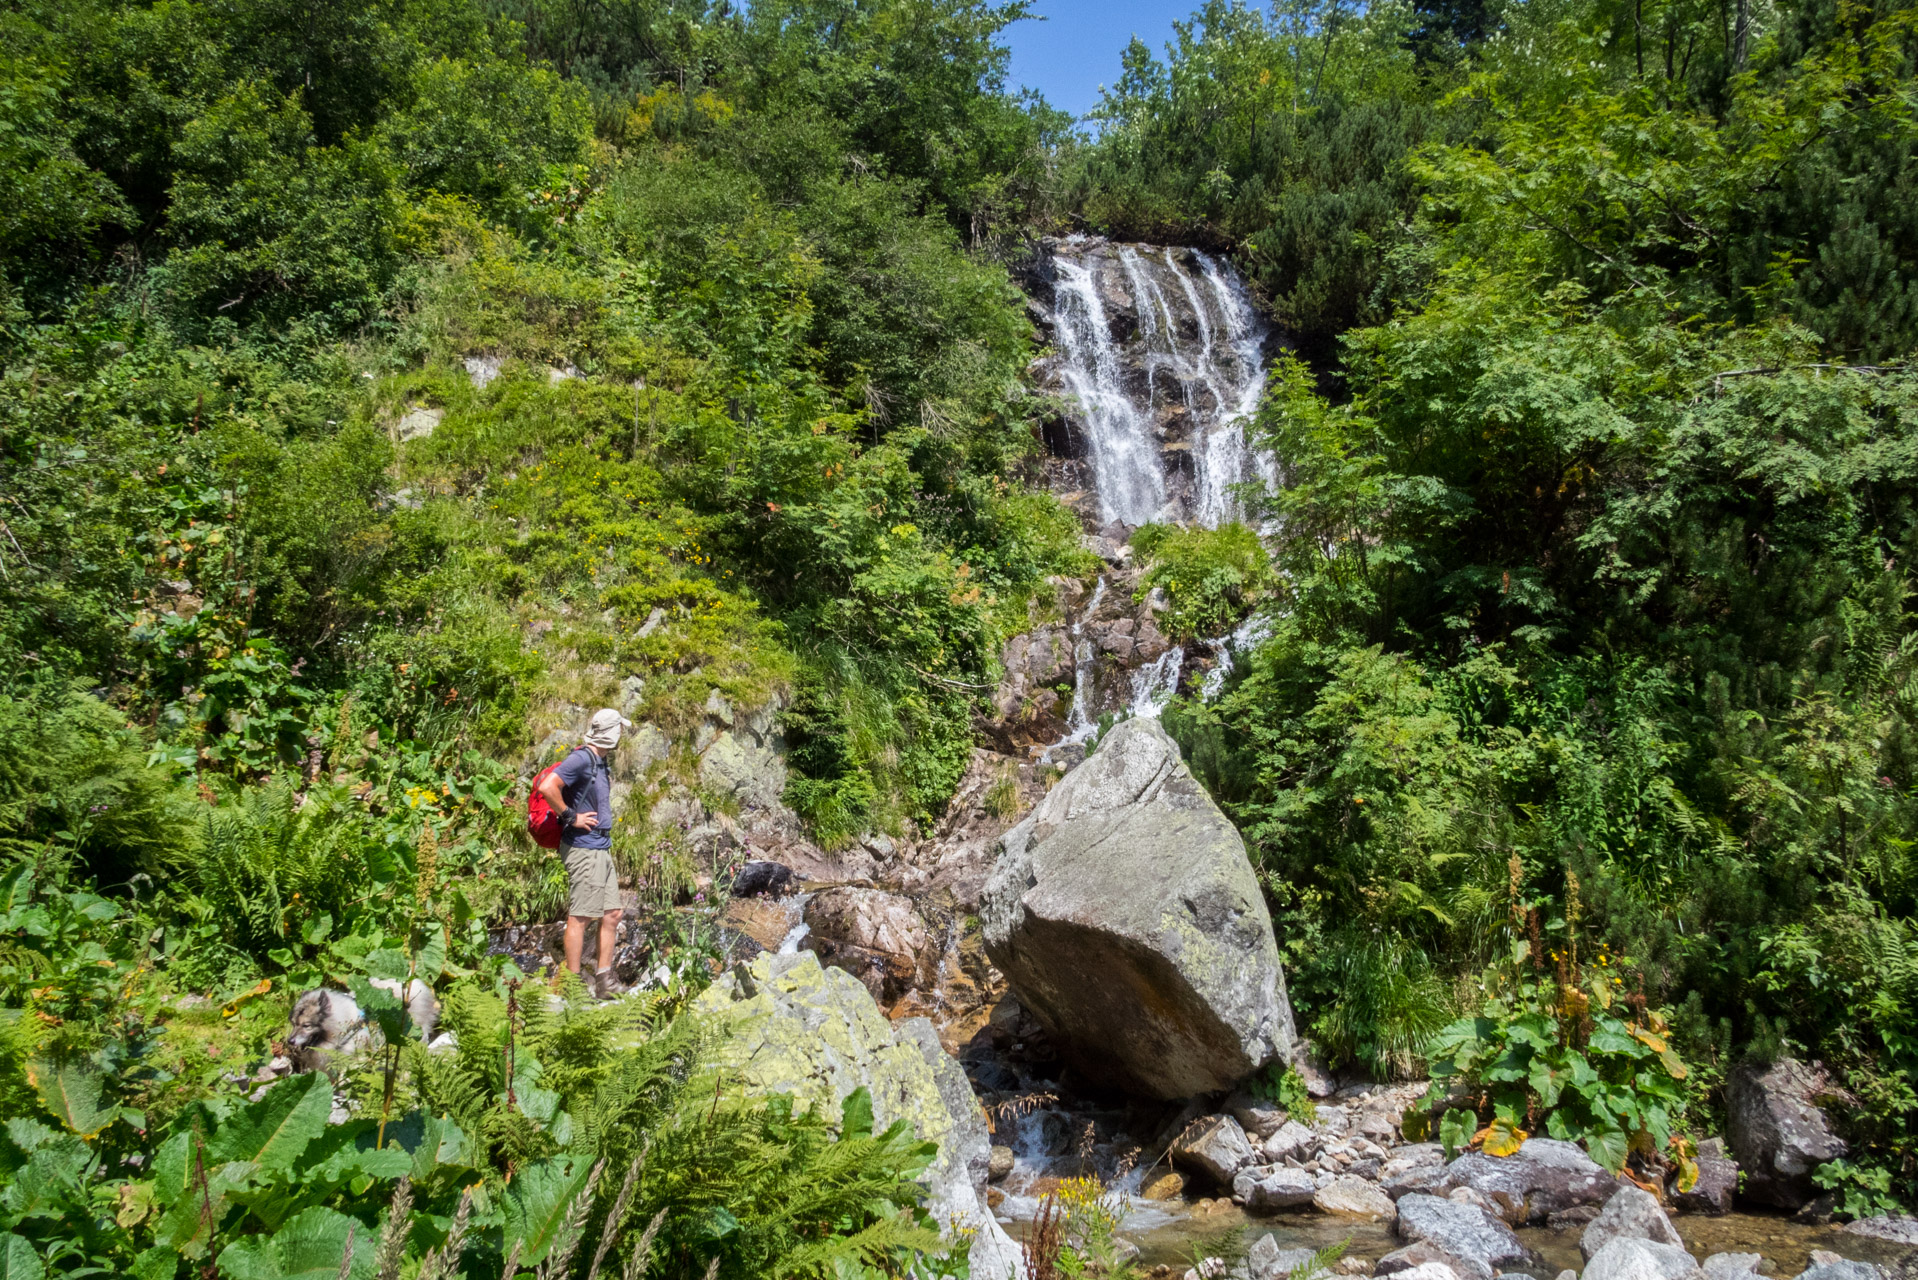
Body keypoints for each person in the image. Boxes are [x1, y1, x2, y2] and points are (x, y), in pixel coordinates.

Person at [537, 708, 632, 998]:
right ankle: (572, 985)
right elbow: (547, 786)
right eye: (619, 729)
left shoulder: (601, 762)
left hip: (600, 847)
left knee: (613, 913)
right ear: (612, 733)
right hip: (583, 847)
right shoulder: (581, 758)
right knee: (581, 917)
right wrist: (570, 816)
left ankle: (605, 980)